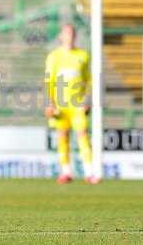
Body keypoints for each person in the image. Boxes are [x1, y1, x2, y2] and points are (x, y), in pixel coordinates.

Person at [44, 24, 99, 185]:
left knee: (82, 135)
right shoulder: (54, 56)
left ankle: (89, 172)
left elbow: (90, 80)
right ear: (61, 36)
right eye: (67, 33)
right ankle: (66, 171)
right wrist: (49, 103)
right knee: (63, 136)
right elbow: (49, 81)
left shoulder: (82, 55)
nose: (70, 36)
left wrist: (88, 99)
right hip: (60, 105)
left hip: (78, 104)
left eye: (72, 33)